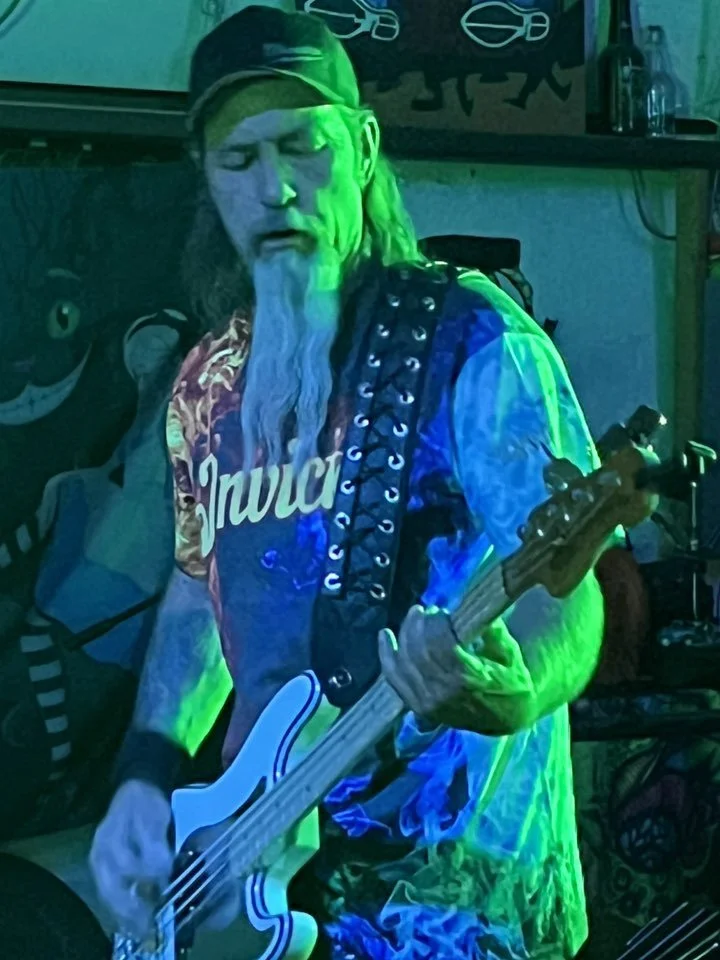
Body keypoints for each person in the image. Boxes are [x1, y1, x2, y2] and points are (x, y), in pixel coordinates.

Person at [89, 6, 606, 958]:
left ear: (363, 149)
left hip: (457, 902)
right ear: (208, 183)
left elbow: (568, 591)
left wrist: (514, 690)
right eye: (238, 162)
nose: (276, 187)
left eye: (302, 146)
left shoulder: (468, 340)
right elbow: (203, 596)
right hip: (266, 893)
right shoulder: (208, 381)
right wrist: (145, 772)